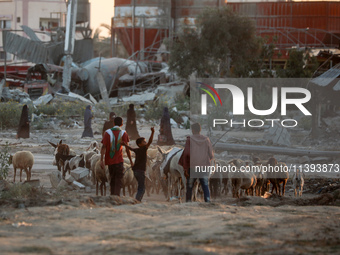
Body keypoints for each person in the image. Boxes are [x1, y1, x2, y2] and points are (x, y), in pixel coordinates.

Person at [179, 123, 213, 202]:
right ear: (200, 130)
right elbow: (211, 155)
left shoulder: (189, 139)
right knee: (205, 185)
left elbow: (186, 154)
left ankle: (188, 202)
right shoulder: (206, 139)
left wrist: (185, 168)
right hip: (203, 167)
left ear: (193, 130)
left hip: (192, 167)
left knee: (190, 186)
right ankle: (207, 201)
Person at [100, 117, 133, 196]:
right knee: (118, 180)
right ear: (122, 124)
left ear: (113, 123)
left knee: (112, 179)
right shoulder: (124, 133)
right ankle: (116, 197)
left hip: (109, 161)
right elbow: (127, 149)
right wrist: (131, 161)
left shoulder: (107, 133)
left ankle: (112, 196)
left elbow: (103, 147)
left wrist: (101, 160)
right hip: (119, 160)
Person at [122, 127, 155, 202]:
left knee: (140, 186)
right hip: (140, 171)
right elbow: (150, 141)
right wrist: (152, 132)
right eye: (144, 142)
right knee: (142, 188)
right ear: (140, 144)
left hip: (135, 171)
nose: (146, 143)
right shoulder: (143, 149)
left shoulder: (137, 150)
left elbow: (131, 148)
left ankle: (137, 200)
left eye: (145, 142)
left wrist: (125, 144)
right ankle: (137, 200)